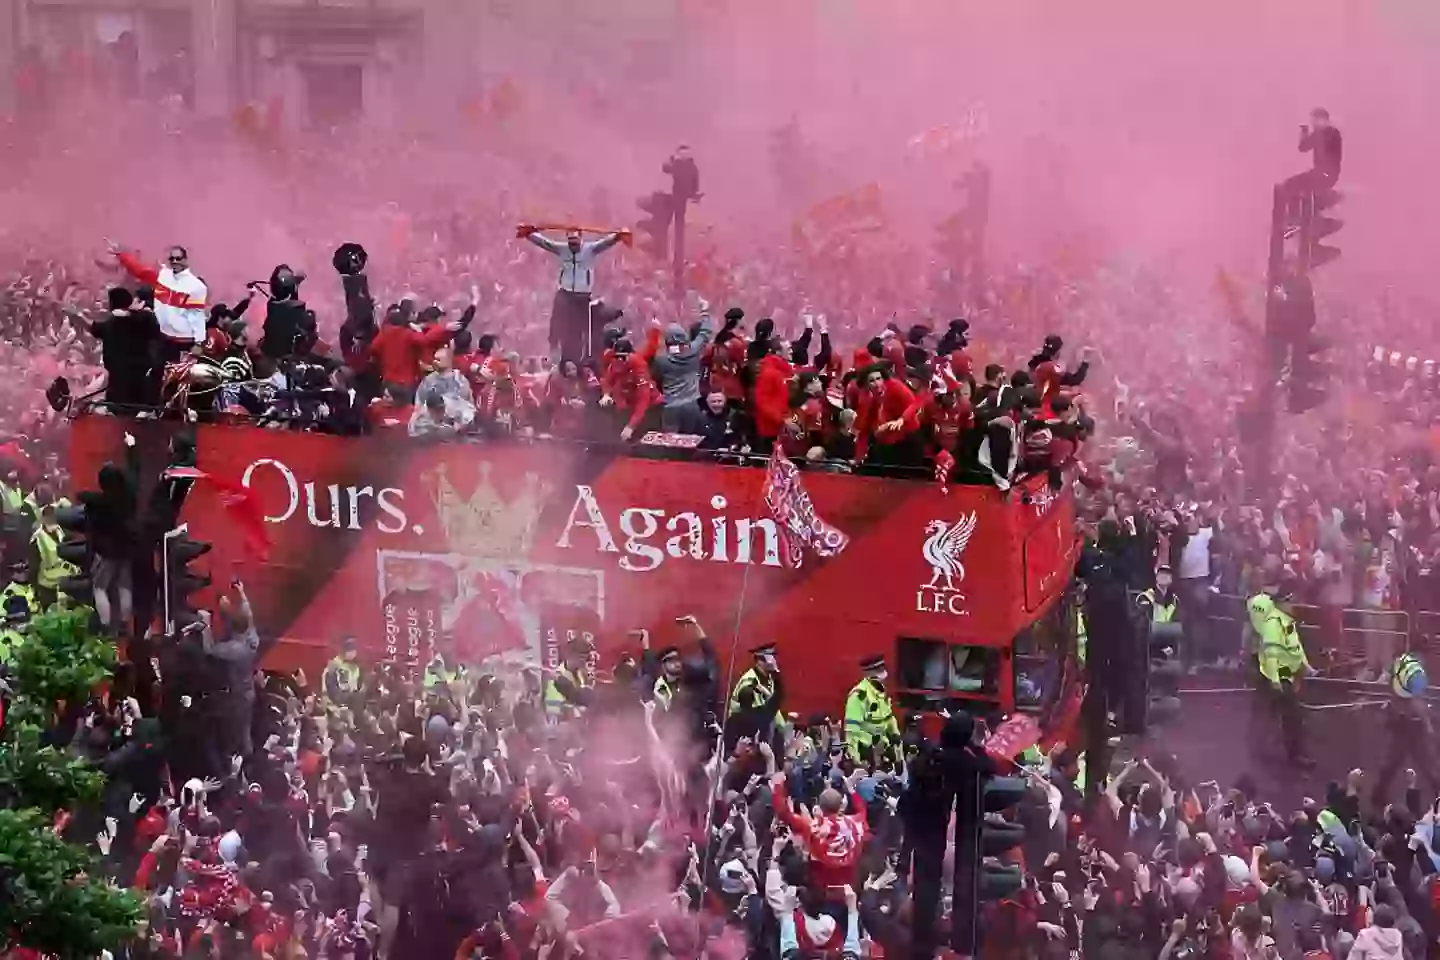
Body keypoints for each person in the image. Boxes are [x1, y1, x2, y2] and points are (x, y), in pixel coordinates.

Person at [518, 224, 629, 364]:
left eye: (575, 242)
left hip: (582, 295)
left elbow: (606, 242)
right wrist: (529, 235)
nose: (573, 246)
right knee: (557, 315)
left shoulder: (590, 249)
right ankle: (553, 344)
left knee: (580, 326)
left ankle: (584, 353)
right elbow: (545, 243)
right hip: (566, 291)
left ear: (580, 239)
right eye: (570, 242)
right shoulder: (562, 249)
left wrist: (618, 235)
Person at [110, 242, 208, 366]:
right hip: (164, 340)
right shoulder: (163, 278)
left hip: (185, 343)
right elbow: (141, 271)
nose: (175, 261)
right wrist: (122, 256)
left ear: (185, 260)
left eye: (178, 258)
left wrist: (198, 344)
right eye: (172, 258)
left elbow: (197, 316)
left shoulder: (195, 287)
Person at [1246, 590, 1313, 767]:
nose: (1293, 605)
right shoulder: (1274, 624)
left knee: (1278, 712)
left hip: (1283, 674)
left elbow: (1296, 647)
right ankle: (1290, 753)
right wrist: (1275, 679)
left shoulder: (1286, 622)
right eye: (1289, 602)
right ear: (1281, 604)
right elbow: (1271, 652)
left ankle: (1265, 746)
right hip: (1275, 674)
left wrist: (1306, 668)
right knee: (1288, 713)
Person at [1372, 650, 1433, 805]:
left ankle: (1378, 794)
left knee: (1393, 760)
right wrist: (1427, 724)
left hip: (1400, 719)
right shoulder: (1416, 675)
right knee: (1425, 761)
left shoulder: (1400, 663)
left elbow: (1388, 680)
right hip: (1409, 724)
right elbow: (1417, 704)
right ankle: (1378, 794)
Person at [87, 286, 160, 412]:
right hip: (136, 385)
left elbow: (94, 327)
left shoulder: (112, 324)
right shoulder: (142, 320)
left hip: (123, 385)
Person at [649, 299, 714, 434]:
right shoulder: (693, 350)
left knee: (670, 442)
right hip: (692, 404)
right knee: (689, 439)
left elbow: (656, 378)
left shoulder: (661, 358)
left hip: (671, 406)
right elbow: (705, 333)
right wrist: (705, 311)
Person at [843, 655, 900, 767]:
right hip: (865, 752)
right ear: (868, 674)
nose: (883, 674)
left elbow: (889, 719)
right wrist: (856, 759)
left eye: (883, 669)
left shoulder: (881, 693)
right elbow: (852, 730)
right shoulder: (859, 695)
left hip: (882, 750)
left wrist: (896, 737)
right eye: (878, 671)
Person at [726, 641, 783, 750]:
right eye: (768, 660)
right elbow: (758, 711)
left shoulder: (768, 679)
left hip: (762, 726)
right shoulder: (750, 680)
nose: (773, 662)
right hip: (743, 732)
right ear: (758, 661)